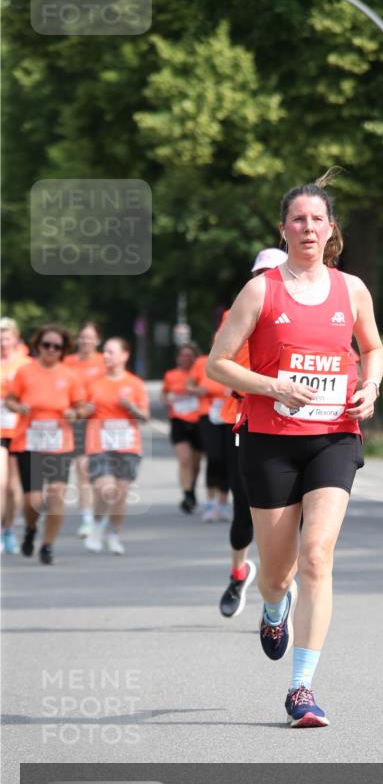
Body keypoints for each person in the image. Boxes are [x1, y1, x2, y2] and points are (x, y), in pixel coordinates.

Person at [206, 172, 383, 727]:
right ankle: (272, 606)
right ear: (283, 230)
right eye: (298, 219)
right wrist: (273, 386)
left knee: (317, 556)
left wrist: (371, 386)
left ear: (331, 229)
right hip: (270, 442)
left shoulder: (351, 289)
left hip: (333, 436)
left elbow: (372, 347)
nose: (308, 227)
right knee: (277, 573)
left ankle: (301, 689)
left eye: (318, 219)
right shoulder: (261, 290)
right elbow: (219, 363)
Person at [217, 249, 288, 619]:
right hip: (242, 420)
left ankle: (278, 590)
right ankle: (238, 573)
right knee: (244, 509)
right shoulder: (237, 313)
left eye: (271, 273)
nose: (264, 280)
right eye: (258, 274)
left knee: (289, 515)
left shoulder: (305, 312)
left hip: (292, 423)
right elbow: (221, 364)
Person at [4, 324, 86, 564]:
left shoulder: (69, 376)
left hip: (60, 443)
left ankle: (48, 545)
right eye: (46, 345)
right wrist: (19, 407)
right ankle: (30, 529)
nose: (51, 350)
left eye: (57, 347)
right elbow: (10, 400)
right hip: (29, 442)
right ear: (37, 346)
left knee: (56, 495)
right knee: (34, 501)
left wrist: (75, 413)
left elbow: (82, 406)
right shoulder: (25, 373)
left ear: (63, 350)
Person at [81, 337, 149, 555]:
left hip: (128, 445)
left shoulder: (135, 384)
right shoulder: (94, 384)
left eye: (111, 352)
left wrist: (131, 408)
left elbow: (144, 417)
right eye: (105, 352)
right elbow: (81, 410)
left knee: (120, 494)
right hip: (99, 443)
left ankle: (114, 533)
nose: (106, 355)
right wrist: (85, 410)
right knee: (106, 489)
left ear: (124, 355)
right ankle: (98, 525)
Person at [63, 321, 106, 538]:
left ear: (97, 341)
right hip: (73, 420)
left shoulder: (103, 362)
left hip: (98, 421)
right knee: (82, 469)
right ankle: (87, 519)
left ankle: (99, 515)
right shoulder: (68, 362)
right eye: (82, 337)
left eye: (89, 337)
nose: (85, 341)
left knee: (98, 473)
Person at [188, 346, 232, 522]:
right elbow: (189, 384)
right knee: (214, 457)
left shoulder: (237, 360)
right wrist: (197, 390)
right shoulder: (201, 362)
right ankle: (210, 502)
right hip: (208, 413)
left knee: (228, 458)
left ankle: (222, 503)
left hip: (230, 413)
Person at [0, 317, 31, 554]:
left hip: (20, 430)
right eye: (0, 337)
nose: (3, 341)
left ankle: (8, 528)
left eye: (7, 336)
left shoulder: (26, 364)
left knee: (13, 488)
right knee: (0, 484)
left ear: (16, 338)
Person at [161, 344, 203, 513]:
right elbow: (164, 393)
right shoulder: (171, 375)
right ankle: (187, 494)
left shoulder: (199, 373)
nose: (186, 359)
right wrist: (167, 401)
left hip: (198, 420)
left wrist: (197, 391)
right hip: (178, 420)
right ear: (178, 358)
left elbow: (207, 389)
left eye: (189, 356)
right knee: (184, 460)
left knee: (196, 462)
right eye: (183, 355)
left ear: (195, 358)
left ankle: (191, 487)